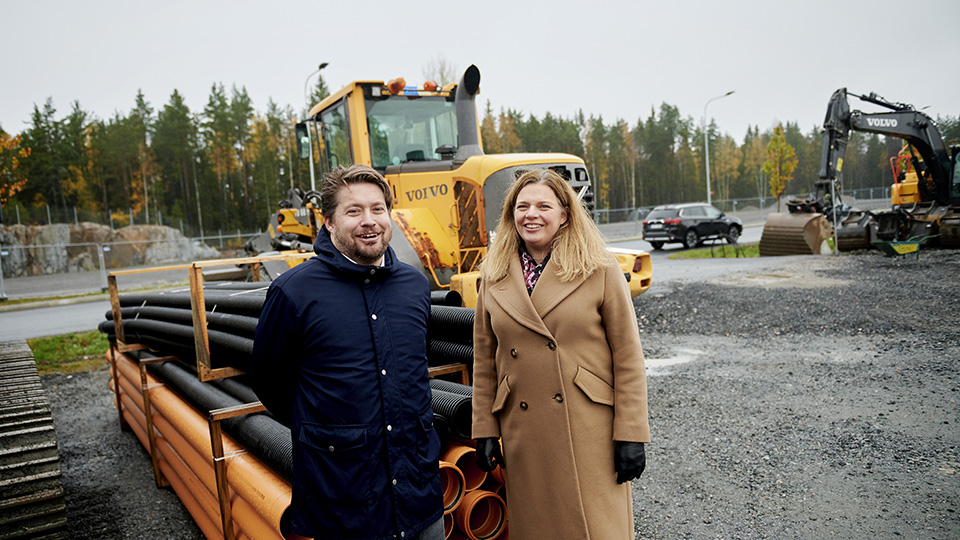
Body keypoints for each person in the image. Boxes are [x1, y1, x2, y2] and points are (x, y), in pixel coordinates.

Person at [252, 164, 444, 540]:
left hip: (419, 492)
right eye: (353, 211)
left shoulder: (414, 286)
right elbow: (270, 382)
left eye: (377, 209)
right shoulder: (295, 293)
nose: (368, 221)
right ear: (328, 222)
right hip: (345, 501)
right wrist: (330, 431)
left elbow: (416, 368)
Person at [471, 168, 650, 539]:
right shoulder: (493, 274)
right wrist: (484, 428)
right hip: (524, 430)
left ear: (565, 214)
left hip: (589, 429)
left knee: (595, 527)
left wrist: (632, 433)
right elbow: (485, 360)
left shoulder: (598, 268)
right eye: (522, 206)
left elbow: (628, 357)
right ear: (510, 215)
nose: (530, 214)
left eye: (542, 206)